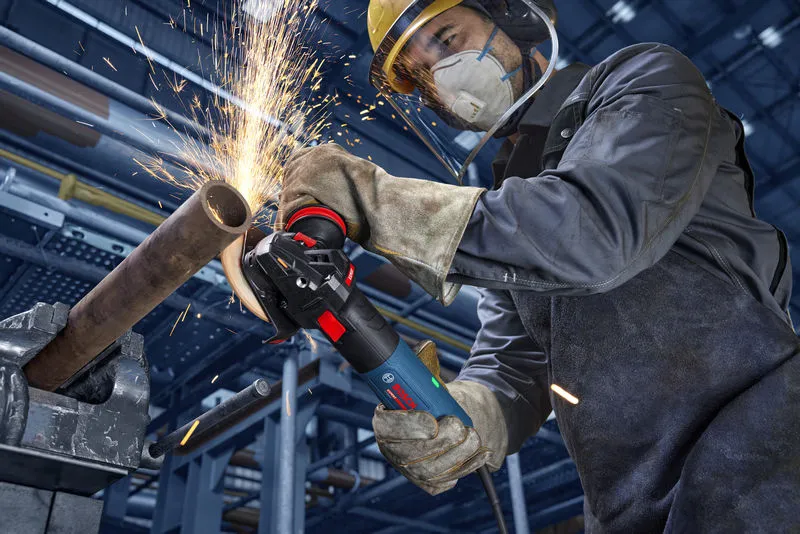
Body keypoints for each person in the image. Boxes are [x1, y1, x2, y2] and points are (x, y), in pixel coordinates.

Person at [279, 0, 799, 531]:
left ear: (513, 16)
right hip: (627, 506)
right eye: (421, 75)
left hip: (764, 450)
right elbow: (515, 363)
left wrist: (376, 202)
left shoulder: (643, 79)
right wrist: (465, 415)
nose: (441, 77)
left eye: (447, 40)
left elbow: (594, 230)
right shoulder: (513, 206)